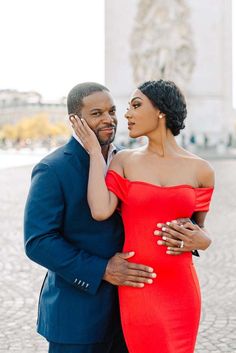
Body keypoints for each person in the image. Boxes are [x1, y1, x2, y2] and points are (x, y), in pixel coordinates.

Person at [70, 80, 214, 353]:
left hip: (181, 287)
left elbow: (199, 230)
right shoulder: (124, 162)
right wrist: (93, 152)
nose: (125, 115)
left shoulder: (202, 170)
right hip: (140, 285)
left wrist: (204, 241)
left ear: (160, 111)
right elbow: (100, 211)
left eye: (136, 106)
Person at [24, 82, 159, 353]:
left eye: (111, 111)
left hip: (131, 314)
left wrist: (190, 231)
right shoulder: (52, 168)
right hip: (77, 319)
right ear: (75, 120)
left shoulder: (130, 162)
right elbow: (38, 241)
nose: (108, 119)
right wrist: (103, 269)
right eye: (96, 113)